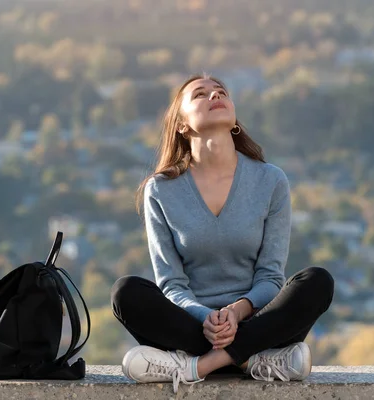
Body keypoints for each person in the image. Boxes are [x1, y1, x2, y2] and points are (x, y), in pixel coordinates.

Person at [111, 74, 334, 393]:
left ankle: (199, 367)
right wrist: (207, 318)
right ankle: (250, 362)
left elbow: (270, 277)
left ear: (234, 120)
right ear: (182, 124)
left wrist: (237, 310)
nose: (214, 94)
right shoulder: (160, 190)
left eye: (221, 92)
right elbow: (171, 284)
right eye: (200, 94)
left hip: (259, 324)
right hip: (193, 327)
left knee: (317, 281)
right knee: (125, 292)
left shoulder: (270, 181)